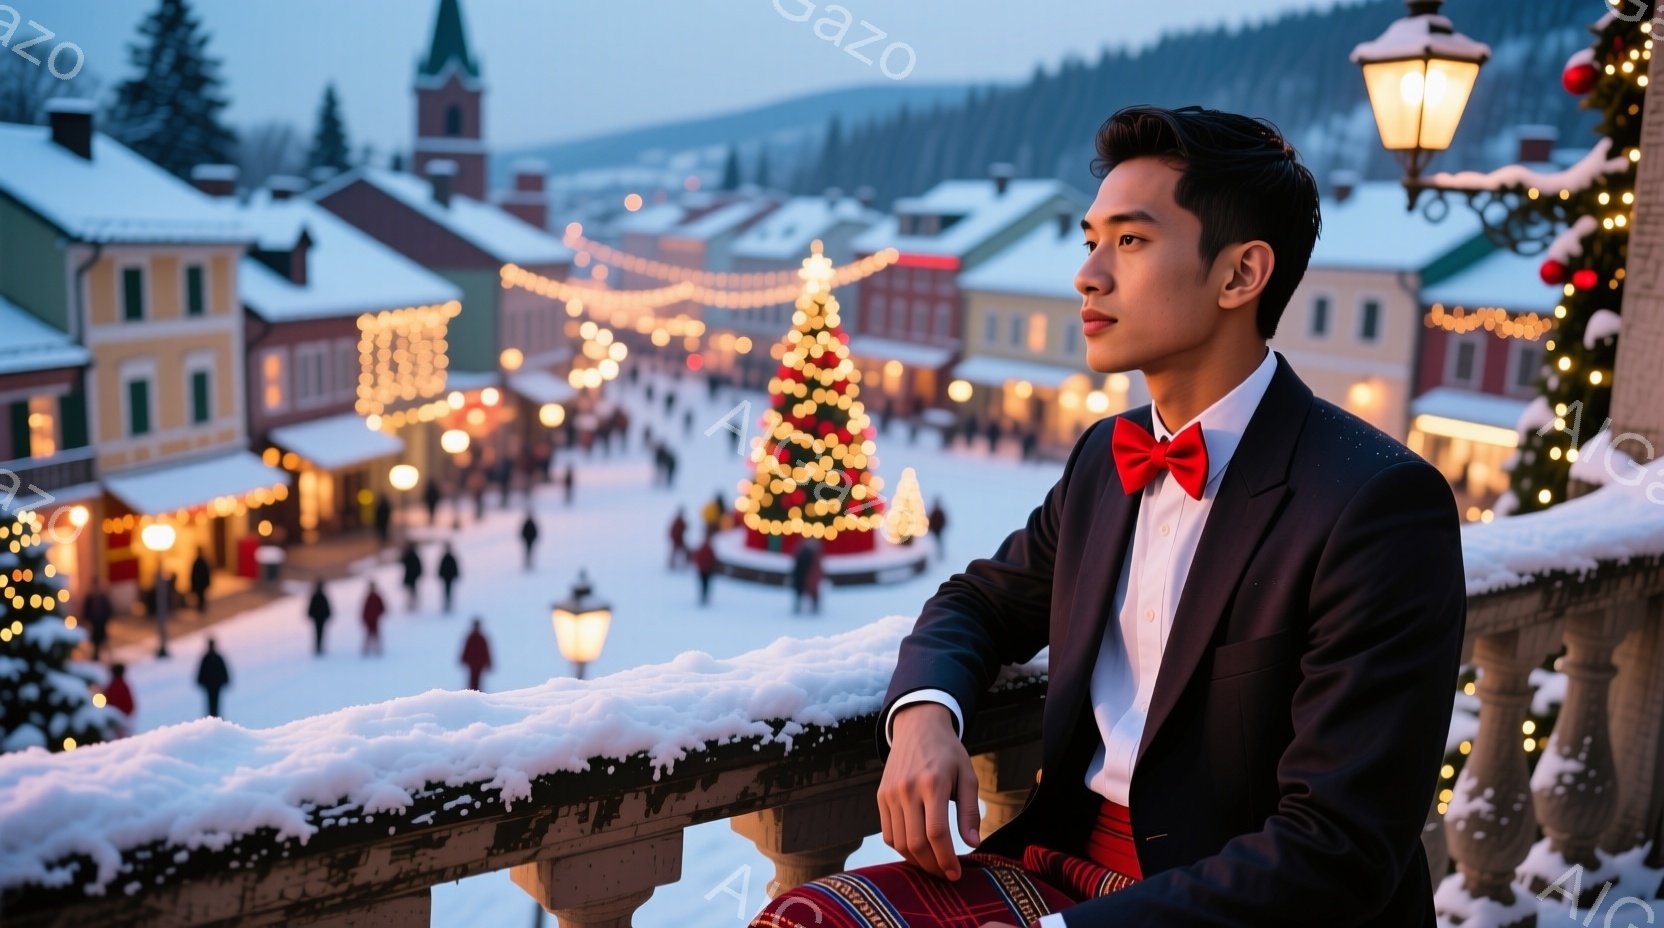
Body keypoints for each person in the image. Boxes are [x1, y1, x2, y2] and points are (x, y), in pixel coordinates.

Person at [754, 106, 1464, 928]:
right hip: (1056, 859)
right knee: (803, 918)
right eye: (1091, 240)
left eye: (1130, 241)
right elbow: (977, 602)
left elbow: (1336, 850)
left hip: (1218, 907)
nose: (1088, 274)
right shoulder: (1106, 456)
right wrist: (924, 713)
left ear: (1240, 275)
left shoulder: (1375, 503)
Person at [195, 638, 230, 718]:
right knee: (211, 702)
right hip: (211, 685)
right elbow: (202, 671)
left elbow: (223, 670)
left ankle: (214, 717)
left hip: (215, 685)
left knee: (214, 702)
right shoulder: (208, 658)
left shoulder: (210, 657)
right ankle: (212, 717)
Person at [102, 663, 135, 738]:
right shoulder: (124, 686)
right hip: (124, 720)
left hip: (112, 720)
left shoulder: (109, 687)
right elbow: (131, 704)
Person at [83, 581, 112, 662]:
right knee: (95, 640)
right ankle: (96, 655)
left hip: (101, 623)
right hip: (93, 623)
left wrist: (106, 620)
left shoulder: (103, 598)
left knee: (102, 640)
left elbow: (108, 610)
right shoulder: (89, 598)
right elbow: (86, 610)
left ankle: (104, 655)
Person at [460, 618, 492, 691]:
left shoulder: (480, 638)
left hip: (478, 664)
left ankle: (476, 693)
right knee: (473, 679)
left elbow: (485, 651)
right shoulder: (472, 638)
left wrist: (488, 662)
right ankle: (473, 693)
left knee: (477, 680)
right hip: (473, 664)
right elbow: (466, 649)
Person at [306, 579, 332, 656]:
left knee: (319, 633)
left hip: (319, 618)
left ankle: (318, 647)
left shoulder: (320, 596)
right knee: (319, 633)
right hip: (319, 618)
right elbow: (312, 607)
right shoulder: (320, 596)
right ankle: (318, 647)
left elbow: (326, 607)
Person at [361, 581, 386, 656]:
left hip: (374, 619)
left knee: (375, 634)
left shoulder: (376, 597)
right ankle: (368, 649)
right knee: (369, 635)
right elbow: (365, 610)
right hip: (369, 620)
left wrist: (379, 614)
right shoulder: (369, 597)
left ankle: (376, 649)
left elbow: (382, 607)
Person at [692, 533, 717, 606]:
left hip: (705, 569)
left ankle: (704, 597)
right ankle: (704, 597)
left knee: (704, 584)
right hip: (705, 570)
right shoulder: (708, 549)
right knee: (705, 584)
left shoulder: (705, 549)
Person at [399, 541, 423, 611]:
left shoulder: (411, 556)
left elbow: (418, 566)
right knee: (411, 590)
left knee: (411, 590)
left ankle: (412, 603)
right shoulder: (412, 555)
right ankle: (411, 603)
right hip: (411, 576)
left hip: (411, 576)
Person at [437, 543, 460, 614]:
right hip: (447, 577)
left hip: (449, 577)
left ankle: (448, 603)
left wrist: (455, 574)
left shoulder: (450, 557)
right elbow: (441, 568)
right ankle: (447, 603)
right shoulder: (446, 557)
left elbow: (455, 567)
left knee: (448, 591)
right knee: (447, 591)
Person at [189, 548, 211, 612]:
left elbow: (206, 573)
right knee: (200, 596)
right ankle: (200, 607)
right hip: (199, 583)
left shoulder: (202, 562)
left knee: (201, 595)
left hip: (201, 583)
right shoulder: (197, 562)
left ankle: (201, 607)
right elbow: (194, 574)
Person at [927, 497, 948, 562]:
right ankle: (938, 553)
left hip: (938, 530)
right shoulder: (934, 512)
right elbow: (930, 521)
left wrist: (941, 527)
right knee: (937, 542)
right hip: (936, 530)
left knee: (939, 542)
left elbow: (943, 520)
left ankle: (940, 554)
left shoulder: (938, 512)